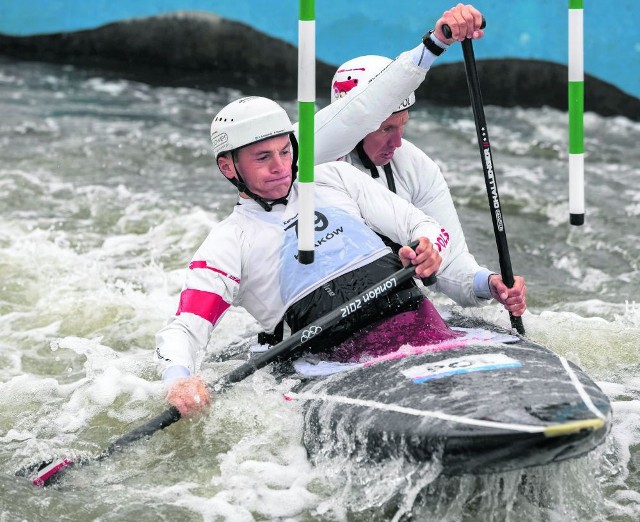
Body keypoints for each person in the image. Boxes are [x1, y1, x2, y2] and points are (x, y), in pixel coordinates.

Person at [156, 95, 454, 416]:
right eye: (262, 158)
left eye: (285, 151)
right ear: (228, 166)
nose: (280, 166)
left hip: (424, 330)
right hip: (337, 367)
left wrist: (429, 247)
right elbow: (185, 329)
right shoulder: (228, 242)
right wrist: (178, 380)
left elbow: (425, 226)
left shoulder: (337, 178)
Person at [327, 51, 528, 316]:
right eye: (386, 129)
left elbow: (452, 262)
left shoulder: (416, 166)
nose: (397, 143)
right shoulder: (307, 165)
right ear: (352, 123)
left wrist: (489, 284)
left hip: (390, 308)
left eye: (402, 126)